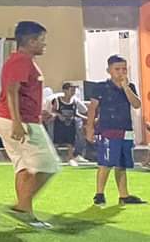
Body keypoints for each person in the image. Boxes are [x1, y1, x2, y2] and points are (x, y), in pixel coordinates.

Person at [0, 21, 59, 229]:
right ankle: (21, 207)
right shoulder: (22, 60)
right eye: (41, 40)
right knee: (48, 165)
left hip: (14, 118)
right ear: (30, 41)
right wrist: (17, 122)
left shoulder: (20, 60)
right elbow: (11, 90)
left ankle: (27, 214)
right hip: (20, 121)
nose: (44, 44)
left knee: (24, 167)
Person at [86, 55, 145, 207]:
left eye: (124, 69)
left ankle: (123, 195)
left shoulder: (130, 87)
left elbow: (137, 104)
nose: (121, 72)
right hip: (107, 129)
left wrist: (126, 88)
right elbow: (92, 109)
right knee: (105, 163)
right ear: (109, 70)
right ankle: (99, 194)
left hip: (125, 129)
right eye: (117, 69)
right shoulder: (101, 87)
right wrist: (89, 128)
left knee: (122, 163)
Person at [51, 83, 86, 167]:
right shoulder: (58, 100)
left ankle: (70, 158)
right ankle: (53, 158)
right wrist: (59, 115)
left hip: (70, 124)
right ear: (65, 90)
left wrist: (86, 118)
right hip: (60, 125)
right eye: (71, 89)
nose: (73, 91)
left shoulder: (74, 101)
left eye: (74, 89)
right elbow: (53, 111)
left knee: (71, 142)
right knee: (56, 142)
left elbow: (76, 113)